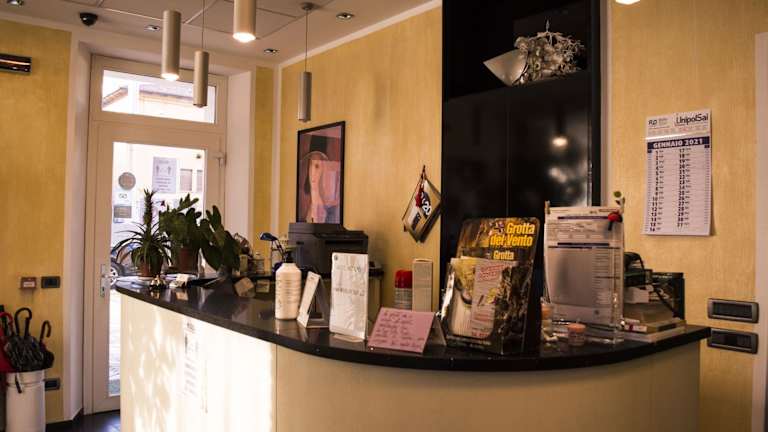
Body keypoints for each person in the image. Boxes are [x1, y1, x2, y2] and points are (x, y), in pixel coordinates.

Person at [301, 135, 339, 223]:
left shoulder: (327, 209)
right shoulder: (309, 206)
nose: (312, 172)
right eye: (310, 164)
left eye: (317, 166)